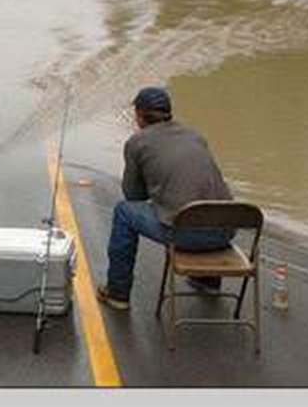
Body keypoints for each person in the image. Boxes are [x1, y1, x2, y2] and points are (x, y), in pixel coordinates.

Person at [97, 86, 234, 310]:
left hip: (185, 235)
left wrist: (154, 187)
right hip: (227, 231)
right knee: (201, 205)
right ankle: (208, 281)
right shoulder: (195, 135)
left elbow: (133, 196)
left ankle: (118, 293)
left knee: (123, 211)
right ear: (169, 112)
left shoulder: (137, 142)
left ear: (139, 115)